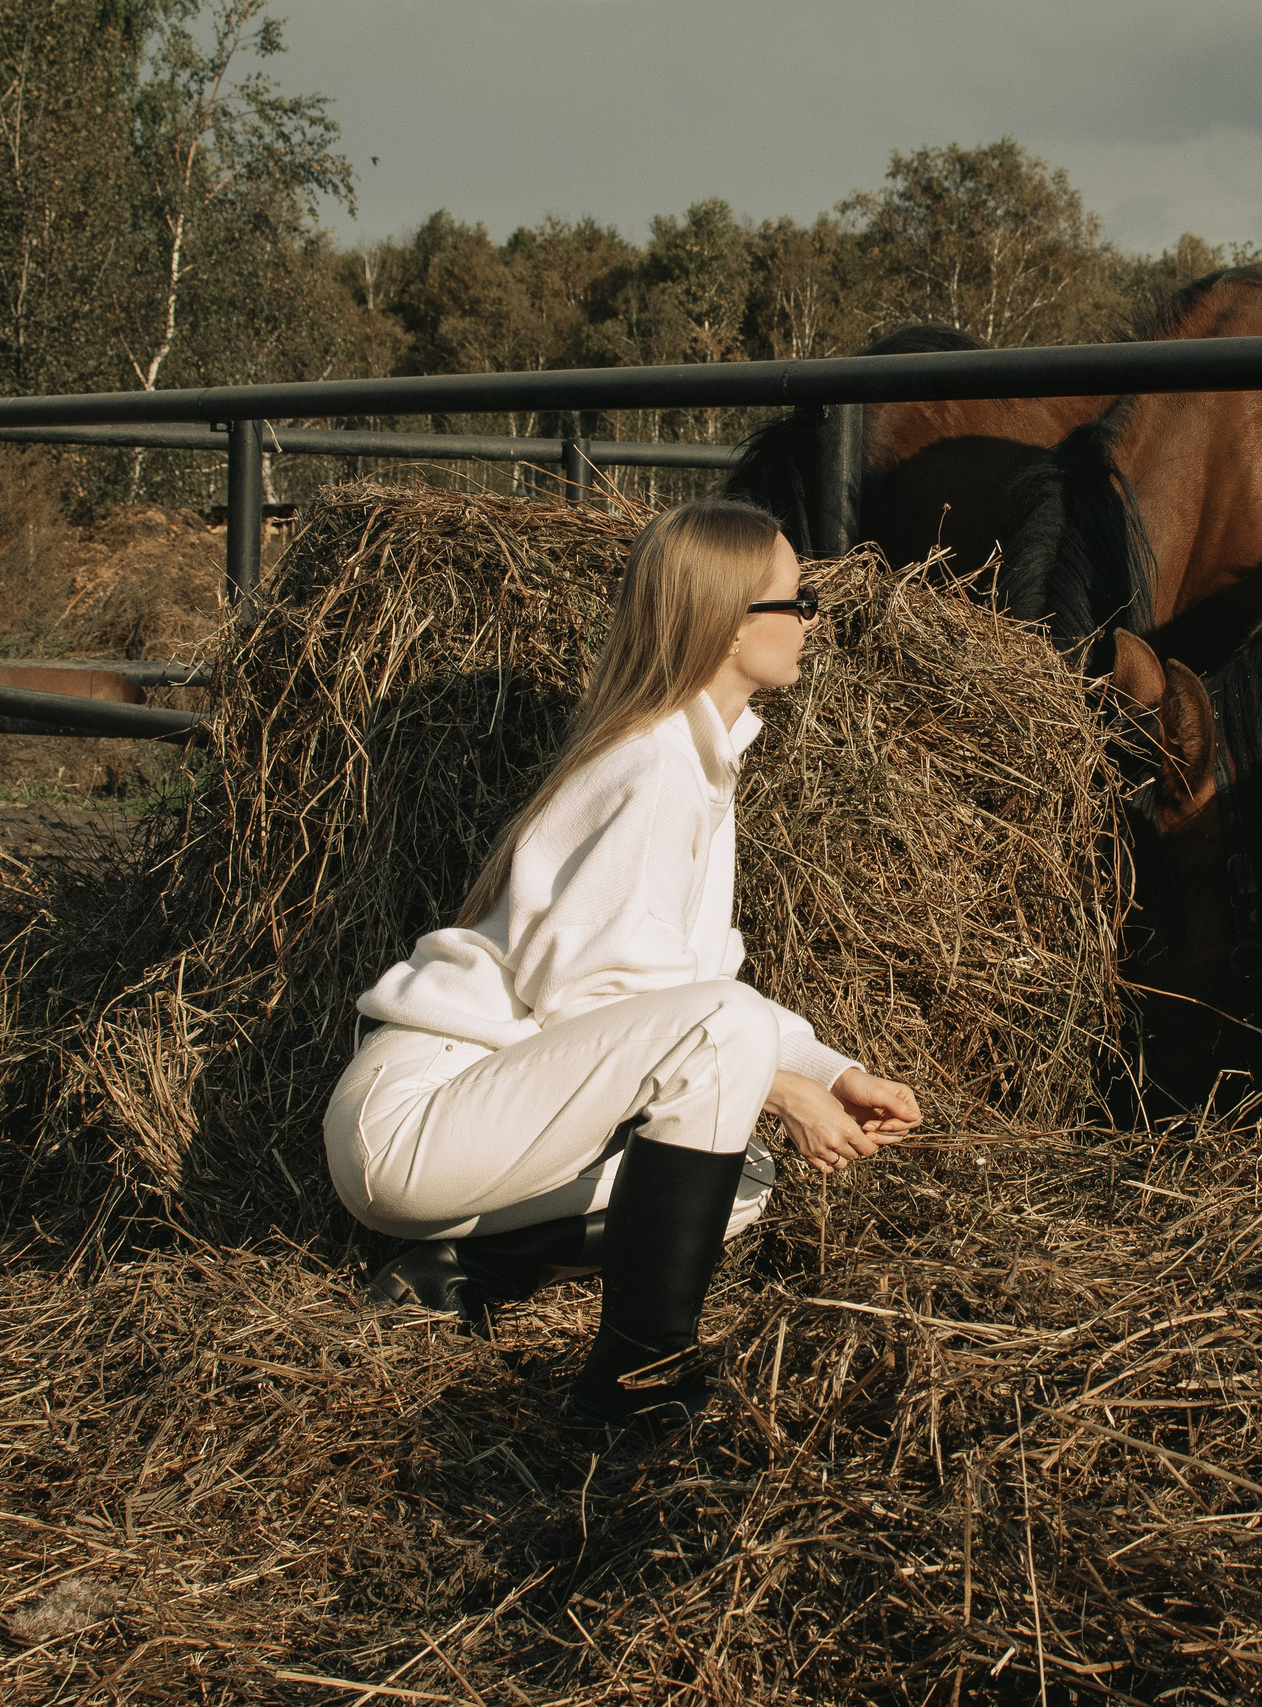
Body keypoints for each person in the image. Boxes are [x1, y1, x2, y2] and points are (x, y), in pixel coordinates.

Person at [323, 497, 922, 1425]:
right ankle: (638, 1380)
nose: (812, 624)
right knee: (727, 1071)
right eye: (795, 604)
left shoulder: (697, 765)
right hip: (420, 1117)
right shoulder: (651, 768)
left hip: (491, 1121)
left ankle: (459, 1270)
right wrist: (782, 1086)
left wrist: (832, 1070)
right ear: (728, 625)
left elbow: (696, 989)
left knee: (741, 1178)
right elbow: (610, 1001)